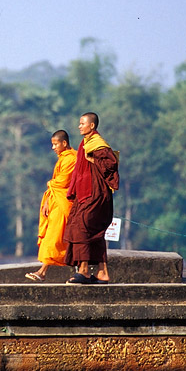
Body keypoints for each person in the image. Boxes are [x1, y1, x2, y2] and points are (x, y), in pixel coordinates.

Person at [63, 112, 119, 284]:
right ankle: (103, 273)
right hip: (85, 194)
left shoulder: (98, 144)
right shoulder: (84, 143)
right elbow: (79, 171)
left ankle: (85, 270)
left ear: (92, 126)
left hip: (96, 194)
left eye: (82, 123)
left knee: (82, 227)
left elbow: (112, 163)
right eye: (79, 123)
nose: (79, 126)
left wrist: (93, 158)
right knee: (93, 231)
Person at [25, 130, 76, 282]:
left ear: (64, 143)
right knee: (56, 238)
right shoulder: (63, 158)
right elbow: (56, 186)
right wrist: (48, 199)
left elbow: (63, 182)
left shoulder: (72, 158)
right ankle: (45, 272)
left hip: (64, 204)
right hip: (56, 201)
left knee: (54, 238)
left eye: (55, 144)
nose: (53, 148)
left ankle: (42, 272)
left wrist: (50, 184)